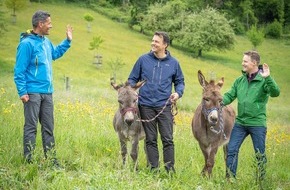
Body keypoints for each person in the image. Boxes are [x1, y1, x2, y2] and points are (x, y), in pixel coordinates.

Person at [14, 10, 73, 166]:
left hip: (47, 93)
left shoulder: (45, 42)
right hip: (32, 93)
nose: (51, 26)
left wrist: (67, 41)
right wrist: (22, 91)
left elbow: (54, 53)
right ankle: (29, 161)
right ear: (40, 24)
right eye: (49, 23)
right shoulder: (26, 44)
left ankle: (52, 161)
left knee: (48, 128)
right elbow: (19, 71)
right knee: (31, 127)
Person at [128, 31, 185, 173]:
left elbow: (180, 82)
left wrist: (178, 93)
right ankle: (154, 169)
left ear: (165, 45)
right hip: (145, 106)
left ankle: (170, 170)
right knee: (150, 139)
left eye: (156, 41)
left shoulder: (174, 63)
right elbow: (132, 79)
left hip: (164, 106)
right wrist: (132, 89)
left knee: (167, 139)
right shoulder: (142, 60)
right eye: (152, 40)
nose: (153, 43)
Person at [223, 50, 280, 180]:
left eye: (245, 61)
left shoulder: (264, 80)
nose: (242, 63)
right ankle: (230, 179)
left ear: (254, 63)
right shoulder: (240, 80)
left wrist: (268, 78)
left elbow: (275, 92)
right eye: (243, 61)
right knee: (231, 150)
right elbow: (230, 95)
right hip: (240, 123)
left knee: (259, 154)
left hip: (257, 124)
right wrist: (219, 102)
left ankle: (260, 181)